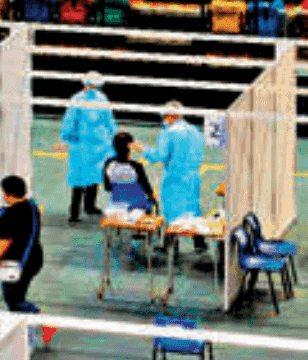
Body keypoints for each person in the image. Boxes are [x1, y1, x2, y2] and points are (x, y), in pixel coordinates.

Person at [132, 100, 208, 253]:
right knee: (193, 207)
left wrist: (141, 148)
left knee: (172, 211)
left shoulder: (168, 133)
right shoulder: (194, 130)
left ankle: (169, 245)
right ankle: (199, 242)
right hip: (193, 177)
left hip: (174, 178)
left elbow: (159, 155)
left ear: (170, 116)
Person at [55, 71, 118, 226]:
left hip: (82, 144)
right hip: (96, 143)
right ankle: (85, 207)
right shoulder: (101, 99)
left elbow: (69, 121)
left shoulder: (78, 99)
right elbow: (109, 121)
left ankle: (77, 212)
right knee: (92, 175)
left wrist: (65, 138)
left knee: (81, 177)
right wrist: (114, 136)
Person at [0, 175, 43, 313]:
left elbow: (3, 243)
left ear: (9, 194)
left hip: (18, 263)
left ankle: (37, 317)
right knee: (17, 296)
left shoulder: (11, 215)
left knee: (13, 299)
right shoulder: (31, 206)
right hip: (34, 258)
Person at [103, 132, 157, 213]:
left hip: (115, 206)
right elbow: (148, 190)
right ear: (130, 146)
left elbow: (107, 188)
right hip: (136, 207)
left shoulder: (108, 164)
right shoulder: (136, 166)